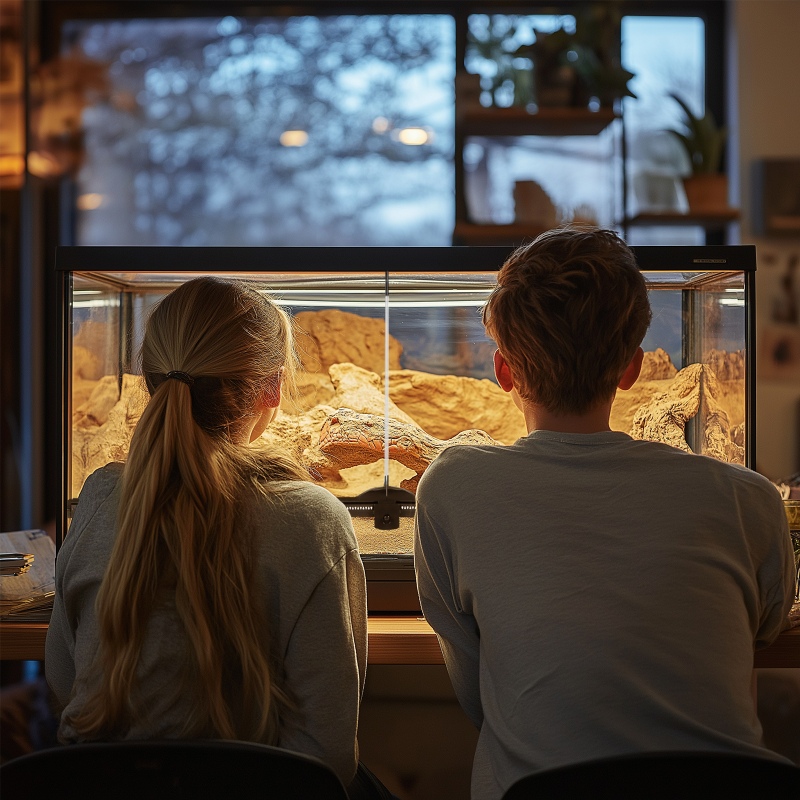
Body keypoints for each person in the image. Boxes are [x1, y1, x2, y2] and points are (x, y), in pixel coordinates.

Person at [413, 227, 796, 799]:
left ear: (503, 371)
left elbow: (479, 694)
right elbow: (765, 628)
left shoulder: (451, 485)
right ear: (632, 368)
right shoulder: (748, 498)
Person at [45, 276, 392, 799]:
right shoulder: (311, 519)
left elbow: (63, 679)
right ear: (272, 388)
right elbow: (328, 751)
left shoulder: (98, 497)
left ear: (148, 380)